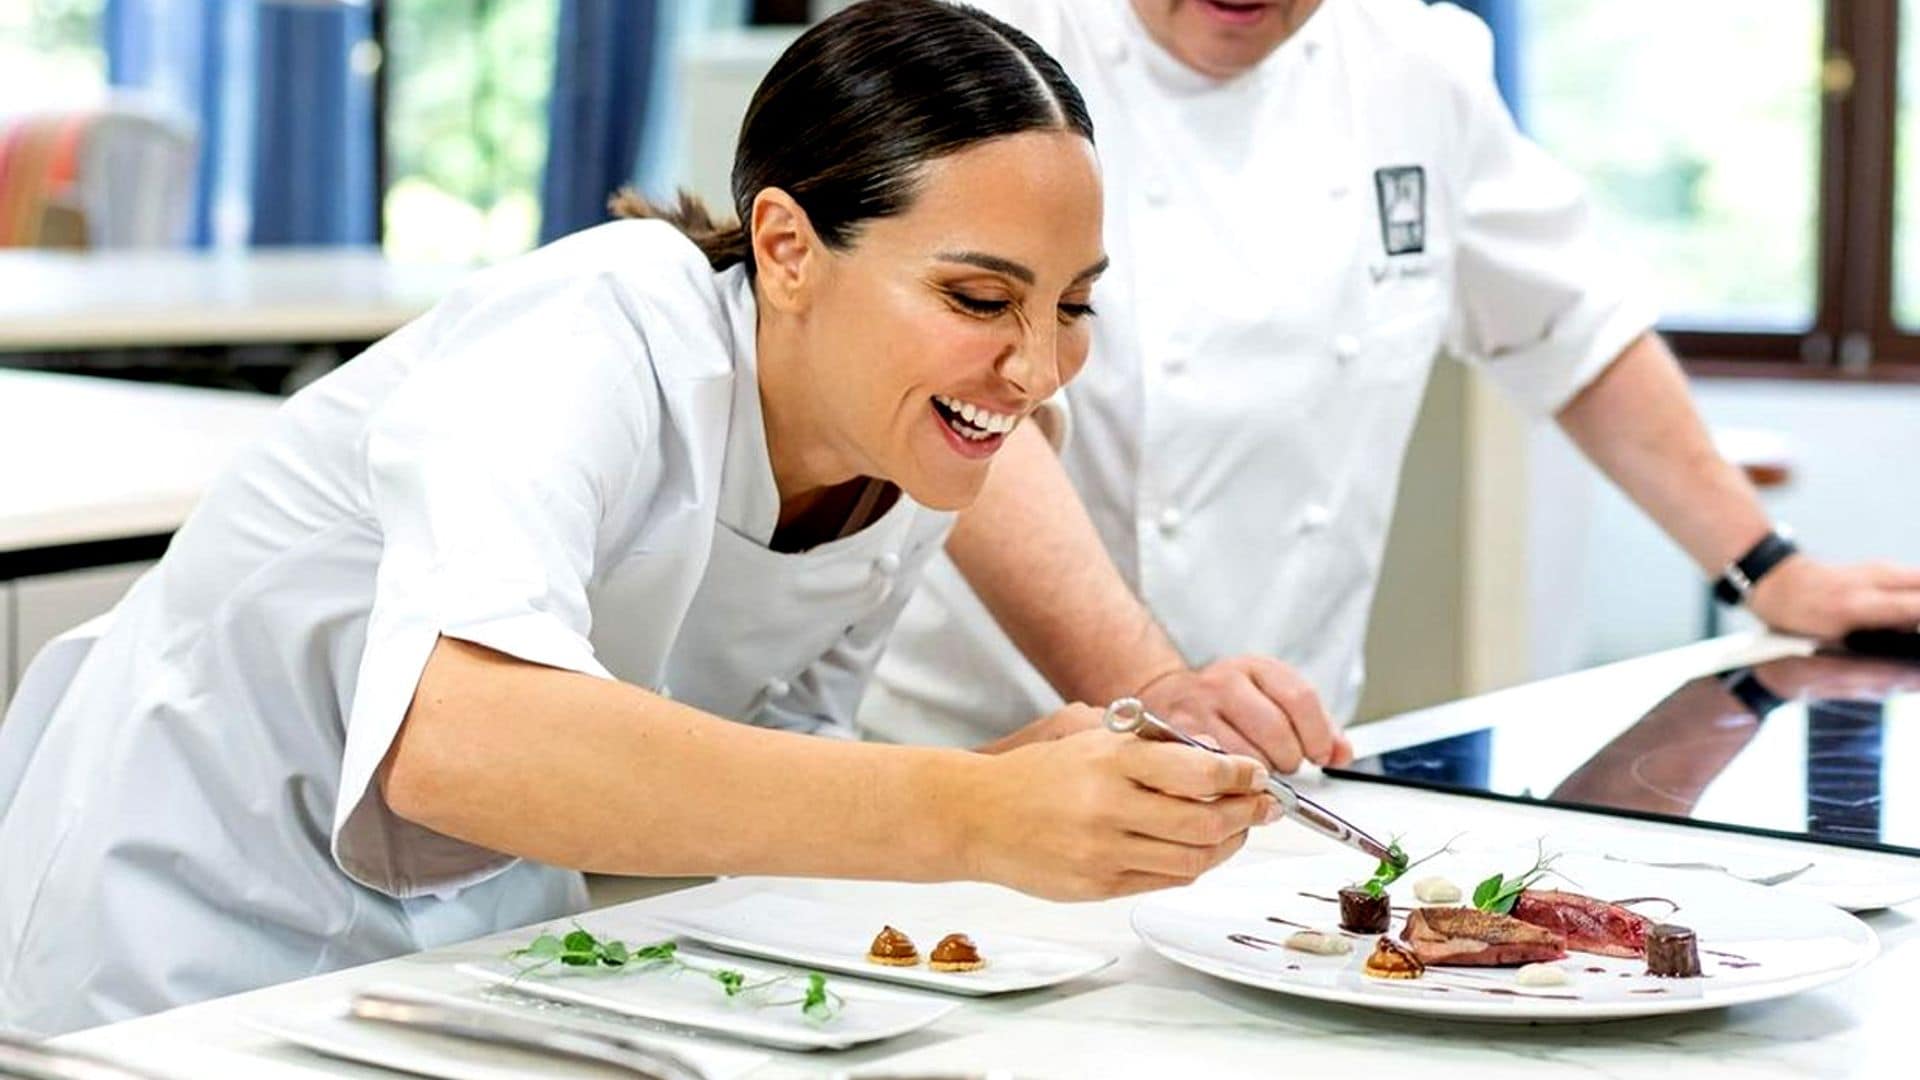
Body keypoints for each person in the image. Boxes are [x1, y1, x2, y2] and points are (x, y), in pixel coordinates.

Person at [0, 0, 1280, 1036]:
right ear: (787, 247)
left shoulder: (904, 447)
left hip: (465, 961)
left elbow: (735, 805)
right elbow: (460, 745)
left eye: (1073, 305)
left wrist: (1004, 788)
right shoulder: (592, 332)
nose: (1038, 368)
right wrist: (966, 811)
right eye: (981, 298)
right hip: (188, 946)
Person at [864, 0, 1920, 766]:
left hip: (1282, 761)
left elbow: (1573, 329)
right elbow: (976, 403)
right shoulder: (986, 47)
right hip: (985, 754)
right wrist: (1155, 692)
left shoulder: (1414, 66)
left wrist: (1769, 570)